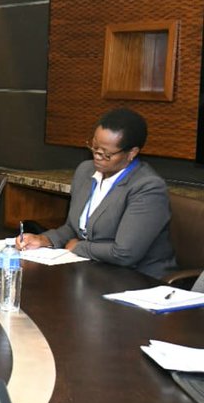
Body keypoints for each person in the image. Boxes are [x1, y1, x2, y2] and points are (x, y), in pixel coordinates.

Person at [17, 108, 176, 279]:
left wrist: (79, 247)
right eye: (94, 147)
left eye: (106, 154)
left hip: (137, 279)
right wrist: (43, 240)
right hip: (94, 270)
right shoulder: (85, 171)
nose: (97, 156)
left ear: (131, 153)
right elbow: (73, 228)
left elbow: (124, 253)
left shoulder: (147, 187)